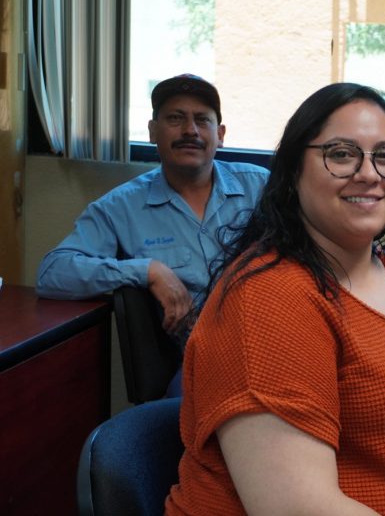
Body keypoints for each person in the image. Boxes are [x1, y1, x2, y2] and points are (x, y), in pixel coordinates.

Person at [164, 83, 385, 515]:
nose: (369, 174)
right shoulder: (268, 299)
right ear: (293, 172)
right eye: (341, 154)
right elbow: (297, 507)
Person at [36, 74, 268, 343]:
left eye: (202, 119)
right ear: (152, 131)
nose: (190, 130)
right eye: (175, 118)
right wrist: (147, 271)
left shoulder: (261, 187)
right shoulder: (121, 207)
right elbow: (52, 273)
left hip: (271, 344)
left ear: (220, 135)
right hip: (191, 359)